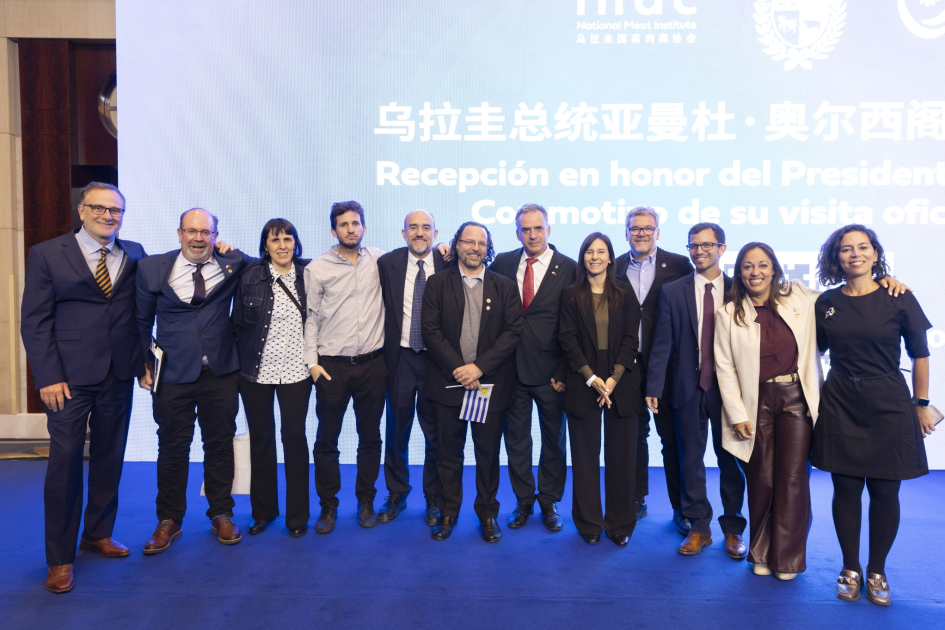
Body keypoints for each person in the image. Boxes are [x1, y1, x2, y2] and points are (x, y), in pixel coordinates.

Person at [20, 183, 146, 593]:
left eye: (116, 210)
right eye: (100, 208)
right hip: (68, 380)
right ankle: (60, 558)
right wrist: (48, 375)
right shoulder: (46, 254)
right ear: (81, 210)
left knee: (109, 457)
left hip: (118, 373)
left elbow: (141, 308)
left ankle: (97, 532)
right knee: (65, 464)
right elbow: (34, 322)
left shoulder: (136, 253)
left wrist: (223, 251)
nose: (109, 216)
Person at [812, 225, 934, 607]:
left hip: (889, 402)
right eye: (846, 249)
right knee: (845, 489)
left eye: (862, 247)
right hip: (840, 400)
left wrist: (921, 404)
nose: (855, 254)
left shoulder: (899, 297)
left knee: (885, 491)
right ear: (836, 259)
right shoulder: (825, 302)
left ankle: (877, 569)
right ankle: (850, 568)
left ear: (875, 254)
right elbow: (811, 350)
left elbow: (920, 354)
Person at [136, 208, 255, 553]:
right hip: (172, 375)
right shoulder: (151, 268)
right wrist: (142, 364)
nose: (199, 238)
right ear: (179, 233)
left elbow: (252, 260)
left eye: (206, 232)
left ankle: (221, 513)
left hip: (220, 372)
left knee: (219, 445)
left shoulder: (232, 264)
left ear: (216, 236)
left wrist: (230, 251)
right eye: (192, 231)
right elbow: (140, 323)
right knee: (172, 449)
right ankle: (169, 520)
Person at [714, 243, 821, 581]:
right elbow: (725, 368)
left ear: (774, 268)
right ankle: (760, 553)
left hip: (795, 398)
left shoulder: (800, 298)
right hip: (753, 403)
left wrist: (886, 279)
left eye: (762, 265)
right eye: (747, 266)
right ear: (739, 273)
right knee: (760, 479)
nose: (755, 272)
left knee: (791, 480)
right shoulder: (728, 314)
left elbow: (847, 297)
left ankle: (787, 559)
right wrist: (736, 414)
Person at [646, 222, 748, 557]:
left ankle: (732, 528)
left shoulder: (740, 289)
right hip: (685, 388)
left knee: (730, 461)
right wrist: (654, 386)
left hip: (728, 391)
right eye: (693, 245)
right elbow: (662, 343)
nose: (698, 251)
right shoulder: (673, 291)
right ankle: (698, 527)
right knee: (690, 460)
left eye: (706, 245)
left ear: (722, 248)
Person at [421, 221, 523, 542]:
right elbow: (431, 331)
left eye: (481, 243)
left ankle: (488, 514)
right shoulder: (437, 283)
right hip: (448, 385)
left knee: (487, 455)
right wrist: (459, 369)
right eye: (468, 242)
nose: (475, 248)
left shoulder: (504, 286)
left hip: (487, 387)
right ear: (458, 245)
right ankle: (449, 512)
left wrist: (478, 368)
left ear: (487, 248)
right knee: (449, 454)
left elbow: (512, 333)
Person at [488, 204, 577, 531]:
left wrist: (565, 371)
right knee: (517, 440)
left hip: (552, 373)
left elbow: (574, 324)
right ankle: (524, 500)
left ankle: (550, 500)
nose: (532, 234)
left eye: (538, 228)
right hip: (511, 369)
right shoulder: (504, 262)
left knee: (554, 438)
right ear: (517, 233)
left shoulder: (569, 267)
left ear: (549, 230)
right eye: (526, 229)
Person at [304, 201, 387, 533]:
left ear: (364, 227)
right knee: (327, 439)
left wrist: (442, 248)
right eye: (344, 224)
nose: (350, 229)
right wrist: (312, 363)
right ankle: (328, 506)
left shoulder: (381, 260)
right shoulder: (317, 268)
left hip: (373, 365)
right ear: (333, 230)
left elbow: (416, 260)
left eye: (356, 223)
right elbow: (310, 319)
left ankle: (366, 500)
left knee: (370, 438)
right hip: (331, 367)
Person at [558, 233, 644, 546]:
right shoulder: (569, 294)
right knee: (584, 458)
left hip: (621, 382)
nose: (595, 257)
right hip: (584, 382)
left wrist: (613, 378)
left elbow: (630, 341)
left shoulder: (625, 292)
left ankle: (620, 525)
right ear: (583, 258)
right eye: (589, 252)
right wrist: (591, 378)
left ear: (611, 258)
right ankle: (589, 524)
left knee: (622, 458)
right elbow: (567, 340)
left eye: (601, 251)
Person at [615, 206, 694, 532]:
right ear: (627, 233)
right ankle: (636, 498)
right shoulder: (614, 266)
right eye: (635, 228)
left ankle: (681, 507)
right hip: (627, 369)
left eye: (648, 228)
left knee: (672, 440)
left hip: (668, 369)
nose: (642, 233)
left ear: (658, 232)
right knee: (634, 438)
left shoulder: (678, 264)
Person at [232, 219, 312, 538]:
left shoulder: (309, 274)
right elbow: (237, 323)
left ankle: (298, 517)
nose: (282, 245)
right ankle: (263, 512)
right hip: (255, 371)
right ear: (265, 244)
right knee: (261, 440)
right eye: (275, 239)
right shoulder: (250, 275)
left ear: (296, 242)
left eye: (288, 238)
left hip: (297, 371)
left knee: (294, 438)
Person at [376, 210, 446, 526]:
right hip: (401, 359)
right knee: (396, 431)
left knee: (436, 433)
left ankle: (433, 497)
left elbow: (486, 257)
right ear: (403, 233)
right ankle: (397, 492)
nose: (420, 232)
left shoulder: (448, 261)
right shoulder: (386, 263)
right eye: (413, 227)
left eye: (426, 227)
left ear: (435, 233)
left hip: (436, 361)